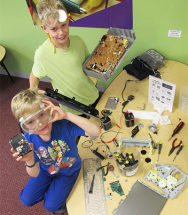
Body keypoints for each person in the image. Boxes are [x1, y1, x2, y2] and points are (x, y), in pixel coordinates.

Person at [10, 88, 101, 215]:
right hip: (44, 170)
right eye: (30, 122)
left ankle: (57, 194)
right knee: (26, 200)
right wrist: (30, 160)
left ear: (49, 110)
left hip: (68, 171)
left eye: (42, 114)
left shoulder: (63, 125)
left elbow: (95, 131)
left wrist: (67, 115)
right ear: (24, 126)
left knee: (51, 206)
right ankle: (53, 190)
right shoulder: (29, 139)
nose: (40, 124)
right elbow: (34, 173)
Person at [29, 0, 99, 115]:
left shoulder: (78, 41)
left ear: (68, 20)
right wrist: (34, 93)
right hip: (74, 109)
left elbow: (88, 65)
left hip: (93, 95)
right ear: (44, 29)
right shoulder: (42, 54)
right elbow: (34, 75)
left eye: (63, 25)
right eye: (54, 29)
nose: (61, 32)